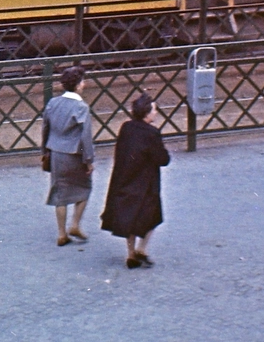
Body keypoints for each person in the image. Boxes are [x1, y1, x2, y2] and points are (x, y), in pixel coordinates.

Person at [101, 92, 171, 268]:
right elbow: (162, 159)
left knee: (129, 216)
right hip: (146, 181)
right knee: (152, 215)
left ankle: (131, 253)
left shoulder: (126, 127)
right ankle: (141, 249)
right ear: (146, 113)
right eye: (154, 110)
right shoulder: (152, 133)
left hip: (125, 178)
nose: (156, 113)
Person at [42, 65, 95, 246]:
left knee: (60, 193)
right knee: (84, 187)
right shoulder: (81, 107)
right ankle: (75, 224)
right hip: (74, 154)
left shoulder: (52, 103)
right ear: (79, 85)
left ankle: (61, 233)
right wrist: (89, 160)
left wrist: (45, 151)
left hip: (56, 153)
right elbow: (85, 137)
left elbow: (45, 129)